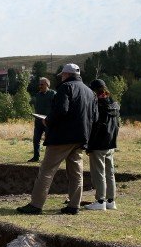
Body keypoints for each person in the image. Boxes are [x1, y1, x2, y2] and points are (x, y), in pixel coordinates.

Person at [17, 64, 97, 215]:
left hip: (62, 137)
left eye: (62, 75)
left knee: (46, 170)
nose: (61, 77)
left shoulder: (65, 88)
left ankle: (36, 205)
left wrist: (48, 121)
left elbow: (61, 110)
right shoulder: (90, 92)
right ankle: (74, 206)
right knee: (76, 172)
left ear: (67, 74)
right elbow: (95, 116)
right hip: (81, 137)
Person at [84, 79, 120, 211]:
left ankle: (100, 201)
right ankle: (111, 201)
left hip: (98, 144)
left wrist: (89, 145)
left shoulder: (97, 105)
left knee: (99, 173)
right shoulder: (114, 104)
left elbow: (93, 127)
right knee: (110, 173)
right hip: (111, 143)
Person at [29, 76, 55, 162]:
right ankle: (36, 157)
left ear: (47, 84)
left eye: (42, 84)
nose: (40, 86)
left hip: (48, 122)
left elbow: (56, 108)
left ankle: (49, 159)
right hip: (38, 121)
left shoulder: (53, 94)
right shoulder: (38, 95)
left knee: (49, 141)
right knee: (36, 139)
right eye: (39, 84)